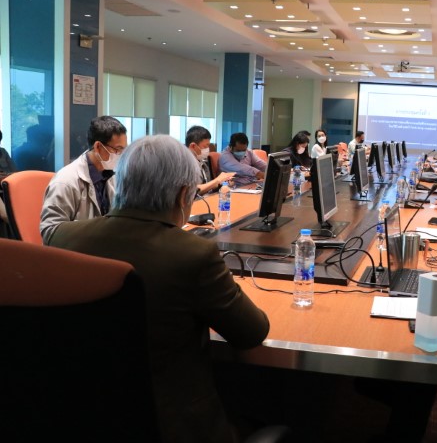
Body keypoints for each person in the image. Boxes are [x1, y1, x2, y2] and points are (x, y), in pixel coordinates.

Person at [47, 135, 270, 443]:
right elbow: (251, 333)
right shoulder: (193, 255)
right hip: (174, 426)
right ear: (183, 195)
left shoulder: (62, 239)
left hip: (80, 418)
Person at [40, 116, 127, 245]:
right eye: (118, 149)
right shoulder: (65, 181)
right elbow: (50, 232)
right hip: (75, 252)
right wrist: (94, 229)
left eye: (124, 149)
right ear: (98, 147)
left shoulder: (113, 176)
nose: (122, 155)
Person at [185, 125, 234, 195]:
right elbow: (192, 191)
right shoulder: (184, 165)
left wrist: (223, 182)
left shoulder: (203, 162)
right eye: (205, 146)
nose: (208, 149)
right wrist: (217, 180)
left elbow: (207, 186)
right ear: (193, 146)